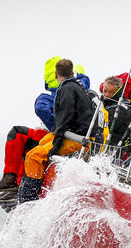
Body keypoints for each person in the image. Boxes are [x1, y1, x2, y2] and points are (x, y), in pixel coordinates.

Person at [0, 56, 90, 194]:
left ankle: (14, 182)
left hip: (62, 135)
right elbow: (85, 79)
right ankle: (15, 184)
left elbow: (48, 116)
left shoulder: (48, 98)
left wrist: (58, 129)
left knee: (19, 135)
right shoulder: (82, 86)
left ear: (52, 76)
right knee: (30, 141)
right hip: (80, 136)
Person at [19, 59, 95, 203]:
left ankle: (28, 200)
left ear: (55, 75)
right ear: (73, 73)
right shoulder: (77, 86)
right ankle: (33, 184)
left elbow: (64, 120)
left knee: (33, 156)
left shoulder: (66, 90)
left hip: (78, 140)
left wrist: (56, 146)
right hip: (77, 135)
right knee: (42, 142)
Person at [100, 76, 131, 146]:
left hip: (116, 150)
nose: (107, 94)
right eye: (105, 91)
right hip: (104, 145)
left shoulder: (122, 109)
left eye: (111, 92)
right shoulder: (105, 104)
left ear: (117, 92)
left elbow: (104, 126)